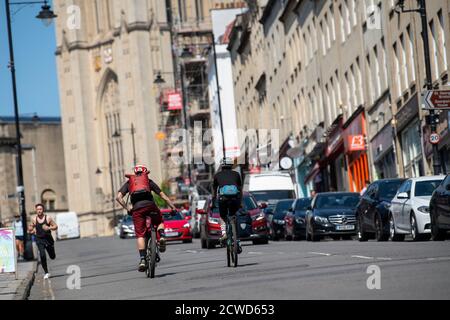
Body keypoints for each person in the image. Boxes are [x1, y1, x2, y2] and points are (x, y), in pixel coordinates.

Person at [116, 164, 177, 272]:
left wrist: (127, 208)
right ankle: (162, 236)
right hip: (150, 206)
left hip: (137, 209)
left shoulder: (130, 182)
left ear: (135, 173)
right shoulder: (148, 181)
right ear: (145, 173)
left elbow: (118, 197)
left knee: (140, 235)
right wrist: (172, 207)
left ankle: (143, 259)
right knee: (159, 220)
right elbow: (162, 195)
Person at [212, 157, 243, 254]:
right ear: (231, 165)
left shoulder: (217, 175)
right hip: (234, 199)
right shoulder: (236, 174)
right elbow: (240, 190)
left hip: (223, 199)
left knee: (222, 216)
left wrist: (213, 202)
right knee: (234, 215)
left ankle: (224, 233)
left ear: (222, 165)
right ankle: (237, 239)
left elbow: (214, 190)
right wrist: (240, 202)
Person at [28, 204, 58, 279]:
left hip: (48, 240)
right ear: (36, 210)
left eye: (40, 209)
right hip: (39, 239)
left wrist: (49, 228)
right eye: (38, 209)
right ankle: (46, 272)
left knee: (52, 257)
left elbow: (55, 226)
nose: (39, 211)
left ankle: (52, 251)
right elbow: (31, 227)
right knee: (42, 255)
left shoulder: (48, 218)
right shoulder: (34, 219)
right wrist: (31, 229)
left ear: (43, 209)